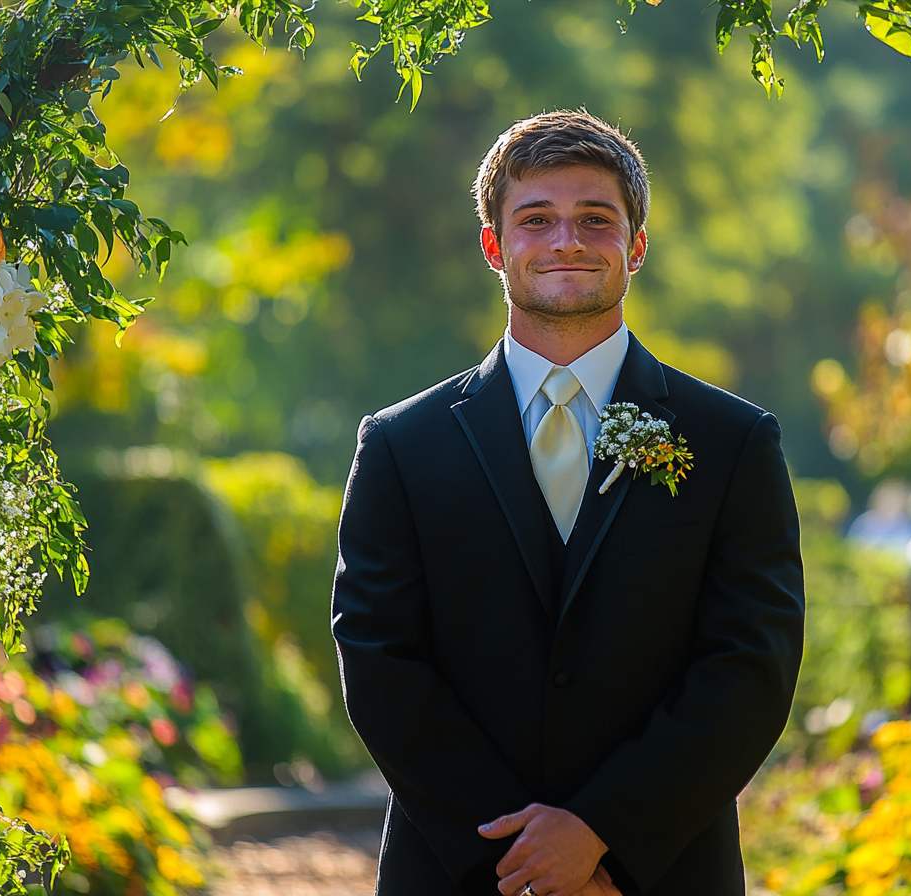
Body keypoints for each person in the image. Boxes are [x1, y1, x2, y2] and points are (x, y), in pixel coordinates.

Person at [331, 109, 805, 896]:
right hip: (459, 871)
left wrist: (605, 837)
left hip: (659, 873)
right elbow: (380, 663)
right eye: (536, 220)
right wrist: (521, 856)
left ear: (637, 245)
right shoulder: (399, 446)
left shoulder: (733, 442)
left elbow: (751, 665)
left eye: (596, 219)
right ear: (494, 245)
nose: (567, 241)